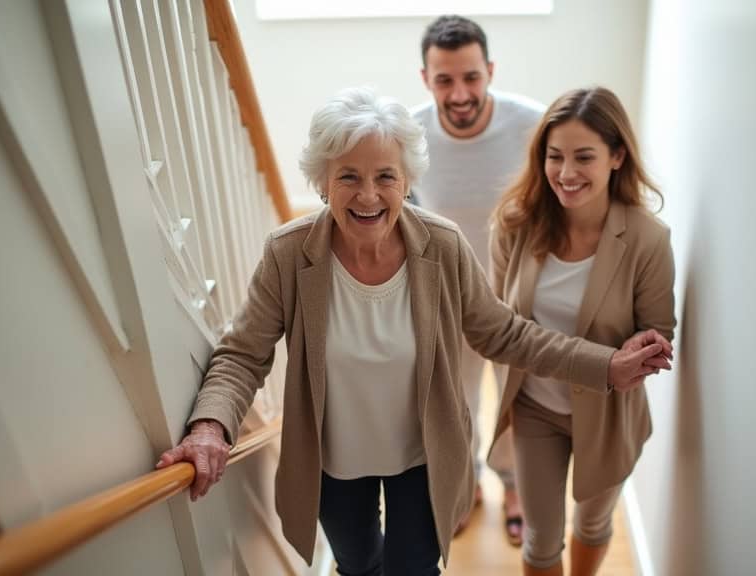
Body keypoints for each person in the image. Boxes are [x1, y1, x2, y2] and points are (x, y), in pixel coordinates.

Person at [156, 87, 672, 576]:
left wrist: (604, 364)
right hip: (334, 458)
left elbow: (505, 334)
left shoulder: (442, 247)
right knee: (358, 566)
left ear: (407, 180)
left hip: (423, 454)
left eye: (385, 176)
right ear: (322, 181)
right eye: (348, 177)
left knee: (415, 569)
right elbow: (243, 353)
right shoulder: (289, 255)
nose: (369, 195)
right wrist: (210, 427)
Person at [488, 87, 677, 576]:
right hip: (535, 408)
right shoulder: (515, 224)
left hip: (611, 415)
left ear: (617, 156)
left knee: (593, 526)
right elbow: (498, 325)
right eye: (555, 157)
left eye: (584, 157)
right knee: (541, 540)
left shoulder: (648, 239)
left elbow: (659, 329)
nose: (566, 173)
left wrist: (644, 344)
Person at [412, 14, 546, 544]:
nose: (460, 93)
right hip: (448, 295)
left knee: (516, 400)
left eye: (471, 77)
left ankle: (514, 487)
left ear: (489, 70)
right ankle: (464, 484)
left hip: (515, 296)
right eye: (445, 80)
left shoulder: (533, 124)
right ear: (426, 79)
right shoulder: (410, 134)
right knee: (454, 403)